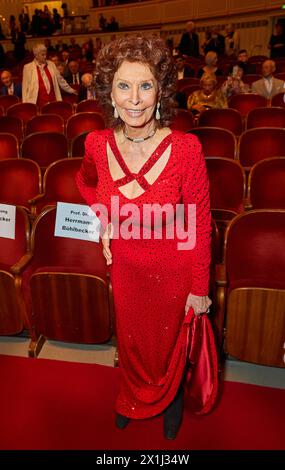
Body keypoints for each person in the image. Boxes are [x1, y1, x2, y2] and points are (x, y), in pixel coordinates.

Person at [76, 36, 214, 440]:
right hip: (126, 270)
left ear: (160, 92)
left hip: (175, 270)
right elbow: (84, 184)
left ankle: (168, 401)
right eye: (124, 85)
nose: (134, 98)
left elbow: (200, 223)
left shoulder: (186, 148)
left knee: (168, 346)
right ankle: (133, 396)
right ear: (109, 93)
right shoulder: (96, 145)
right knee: (132, 341)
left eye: (145, 85)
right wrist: (105, 220)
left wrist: (199, 286)